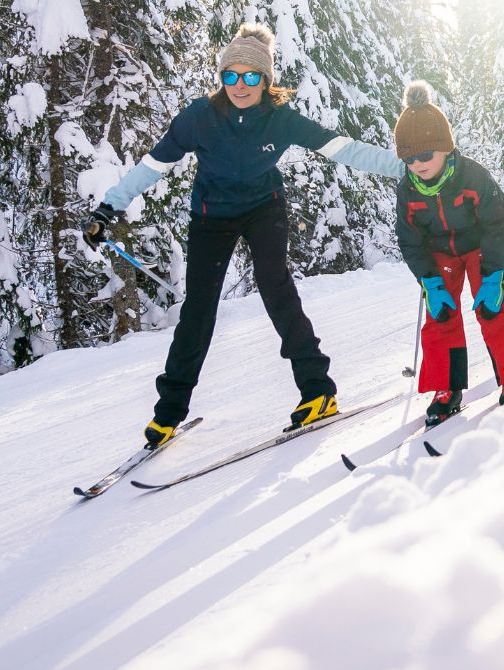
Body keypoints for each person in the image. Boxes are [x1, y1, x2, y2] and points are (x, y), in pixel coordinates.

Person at [84, 23, 402, 446]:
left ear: (266, 81)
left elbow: (343, 148)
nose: (240, 84)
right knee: (198, 309)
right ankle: (169, 413)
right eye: (230, 75)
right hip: (211, 215)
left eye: (251, 76)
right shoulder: (199, 118)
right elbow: (152, 166)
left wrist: (407, 168)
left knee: (277, 289)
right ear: (221, 79)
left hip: (263, 208)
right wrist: (109, 207)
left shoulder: (280, 120)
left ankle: (318, 391)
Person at [394, 81, 504, 426]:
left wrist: (492, 275)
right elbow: (410, 239)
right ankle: (447, 388)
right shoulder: (409, 189)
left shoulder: (472, 176)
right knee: (440, 316)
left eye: (425, 154)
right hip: (441, 255)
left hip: (480, 245)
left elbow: (498, 223)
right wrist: (429, 281)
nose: (418, 163)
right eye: (410, 157)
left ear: (444, 148)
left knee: (491, 307)